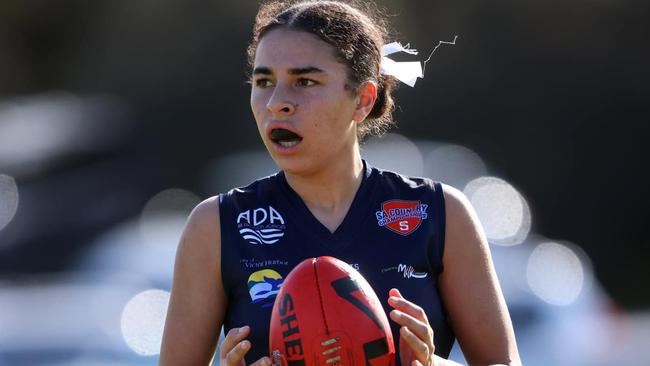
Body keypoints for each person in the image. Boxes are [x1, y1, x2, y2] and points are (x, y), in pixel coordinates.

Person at [160, 1, 521, 365]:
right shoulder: (216, 226)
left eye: (305, 81)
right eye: (264, 81)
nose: (277, 103)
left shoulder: (440, 214)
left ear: (362, 101)